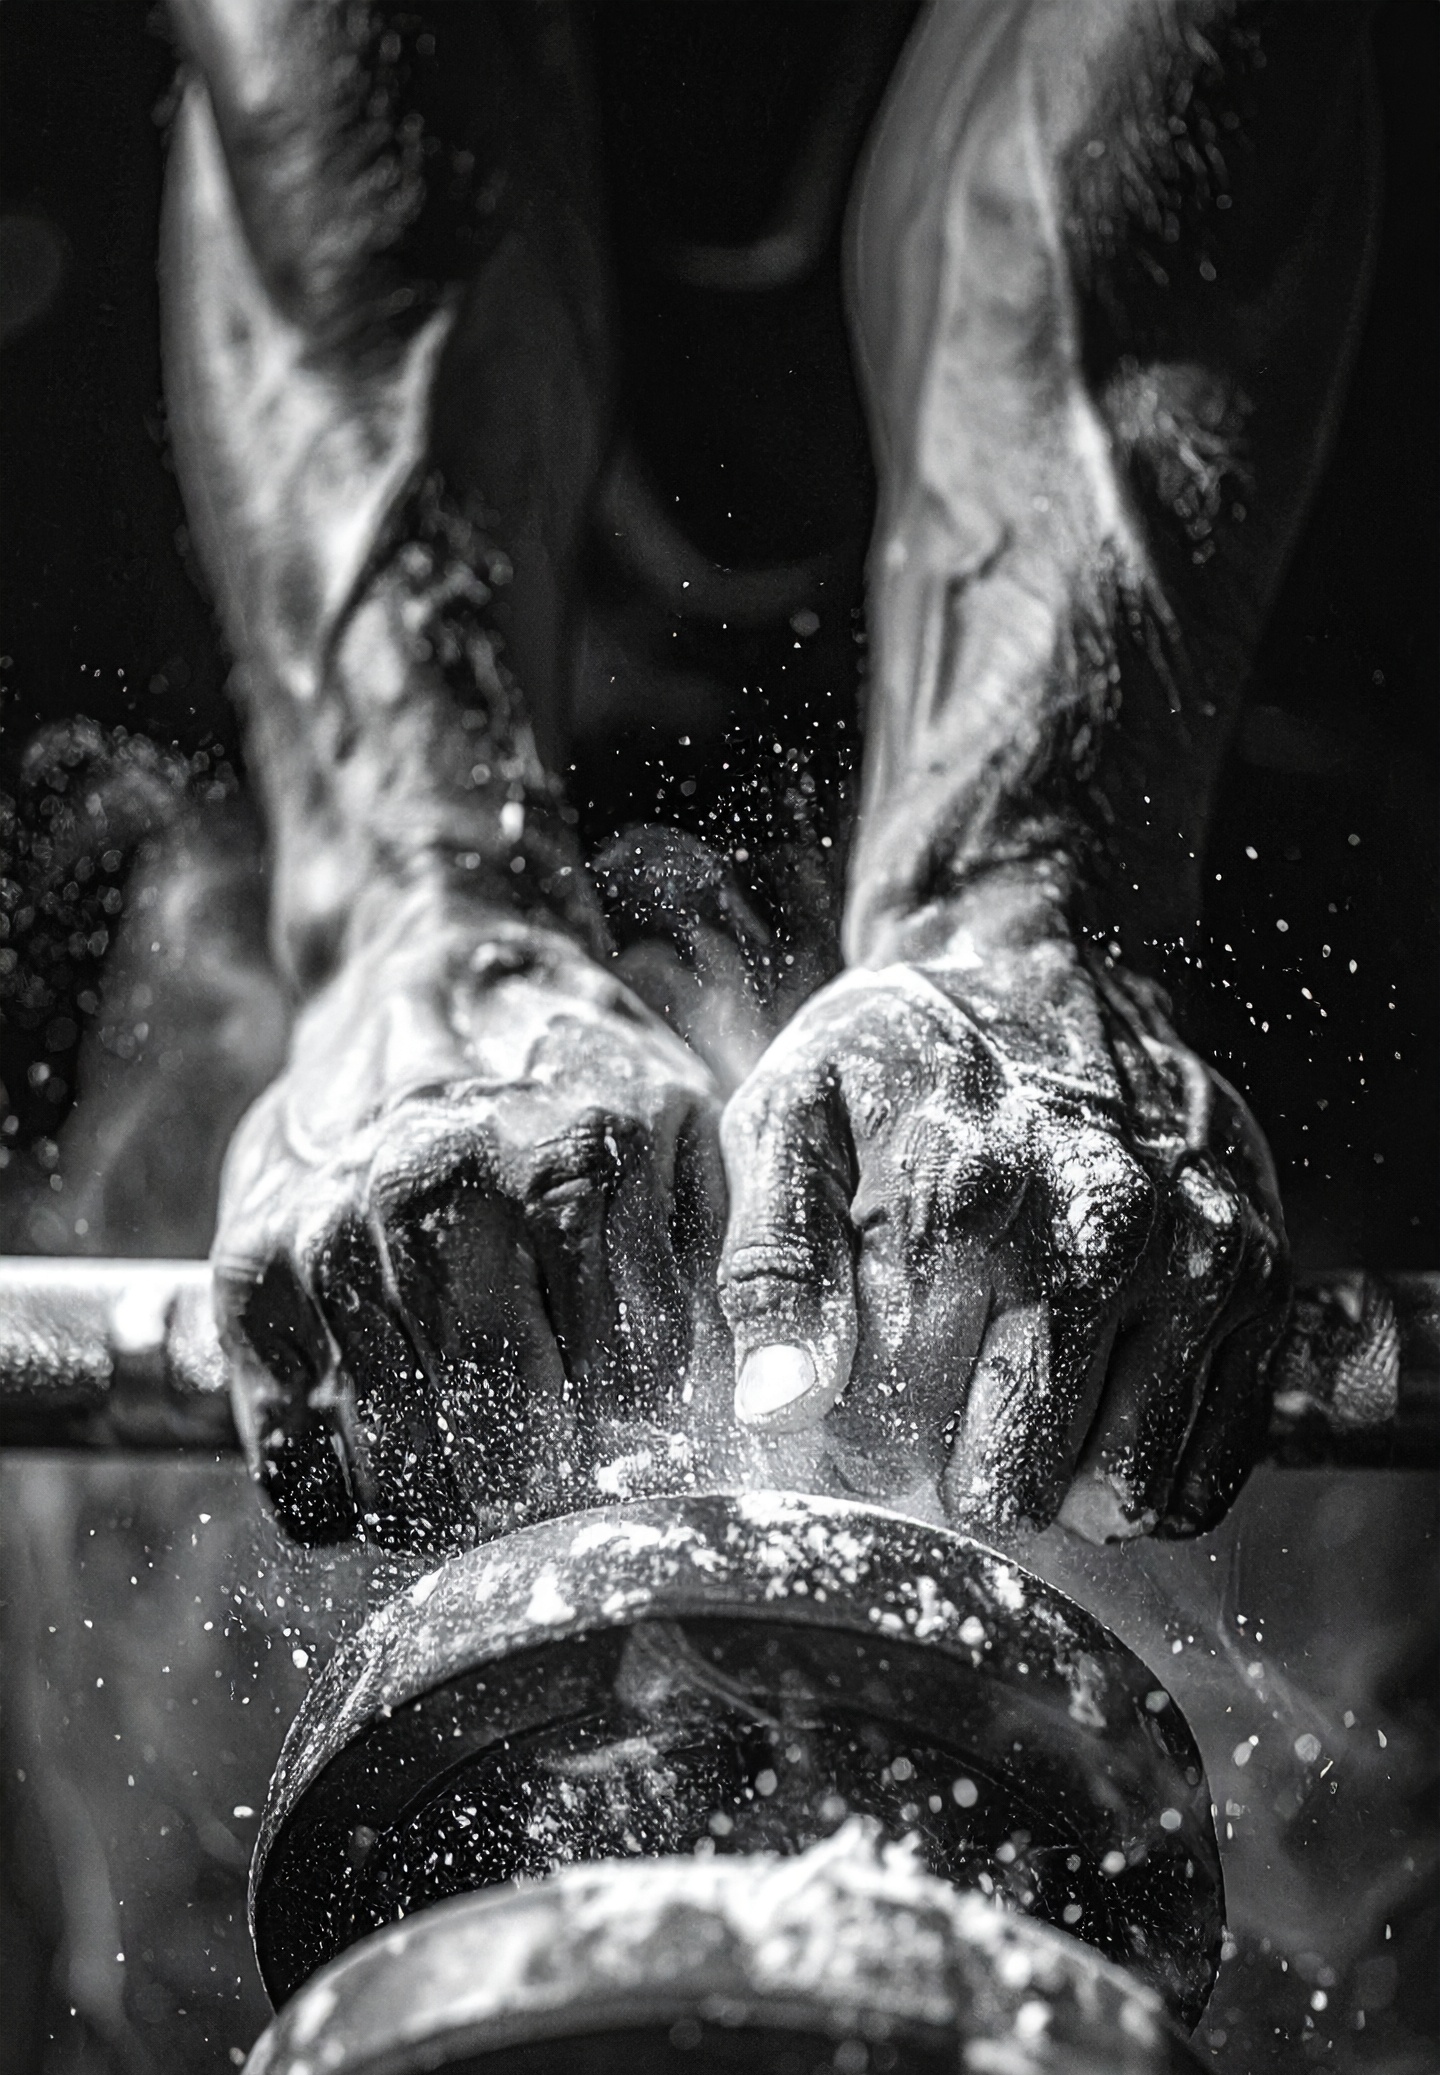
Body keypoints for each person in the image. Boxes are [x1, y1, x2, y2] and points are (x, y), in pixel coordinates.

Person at [163, 0, 1376, 1557]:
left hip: (1215, 700)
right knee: (408, 1289)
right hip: (473, 628)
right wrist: (427, 909)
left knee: (1124, 1325)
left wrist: (1020, 905)